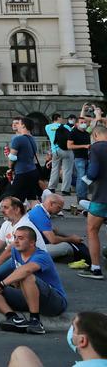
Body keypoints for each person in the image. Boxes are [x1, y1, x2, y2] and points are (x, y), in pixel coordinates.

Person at [0, 225, 67, 334]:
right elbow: (14, 269)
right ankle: (13, 318)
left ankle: (35, 322)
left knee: (26, 276)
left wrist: (2, 285)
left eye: (20, 238)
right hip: (28, 297)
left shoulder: (42, 256)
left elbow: (26, 270)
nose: (15, 241)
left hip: (54, 302)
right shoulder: (16, 251)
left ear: (32, 242)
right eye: (15, 237)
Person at [79, 120, 107, 280]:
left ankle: (96, 268)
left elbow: (93, 171)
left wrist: (86, 180)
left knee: (92, 230)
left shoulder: (96, 147)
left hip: (101, 196)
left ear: (95, 135)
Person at [28, 194, 89, 261]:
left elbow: (52, 231)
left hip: (30, 245)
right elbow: (53, 240)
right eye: (58, 207)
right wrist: (71, 239)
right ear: (51, 204)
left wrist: (68, 237)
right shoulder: (41, 216)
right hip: (31, 250)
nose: (59, 211)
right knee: (66, 247)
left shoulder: (39, 209)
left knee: (61, 238)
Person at [7, 116, 42, 203]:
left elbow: (12, 157)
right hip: (33, 171)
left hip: (22, 172)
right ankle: (36, 216)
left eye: (18, 123)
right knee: (32, 198)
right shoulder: (32, 139)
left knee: (15, 199)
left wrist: (10, 167)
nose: (16, 125)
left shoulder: (17, 139)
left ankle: (17, 216)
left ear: (23, 126)